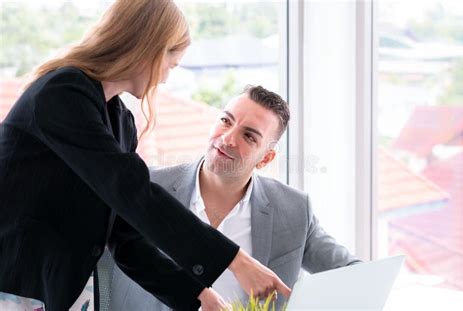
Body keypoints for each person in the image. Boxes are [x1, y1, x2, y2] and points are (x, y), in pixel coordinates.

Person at [0, 1, 291, 311]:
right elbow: (133, 191)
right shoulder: (62, 94)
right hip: (15, 287)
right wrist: (235, 260)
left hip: (57, 293)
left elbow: (126, 238)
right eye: (171, 63)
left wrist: (198, 296)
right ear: (149, 48)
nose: (165, 78)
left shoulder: (120, 122)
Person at [109, 85, 361, 310]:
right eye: (226, 121)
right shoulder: (148, 185)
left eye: (249, 136)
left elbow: (355, 277)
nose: (228, 138)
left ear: (265, 158)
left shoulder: (294, 209)